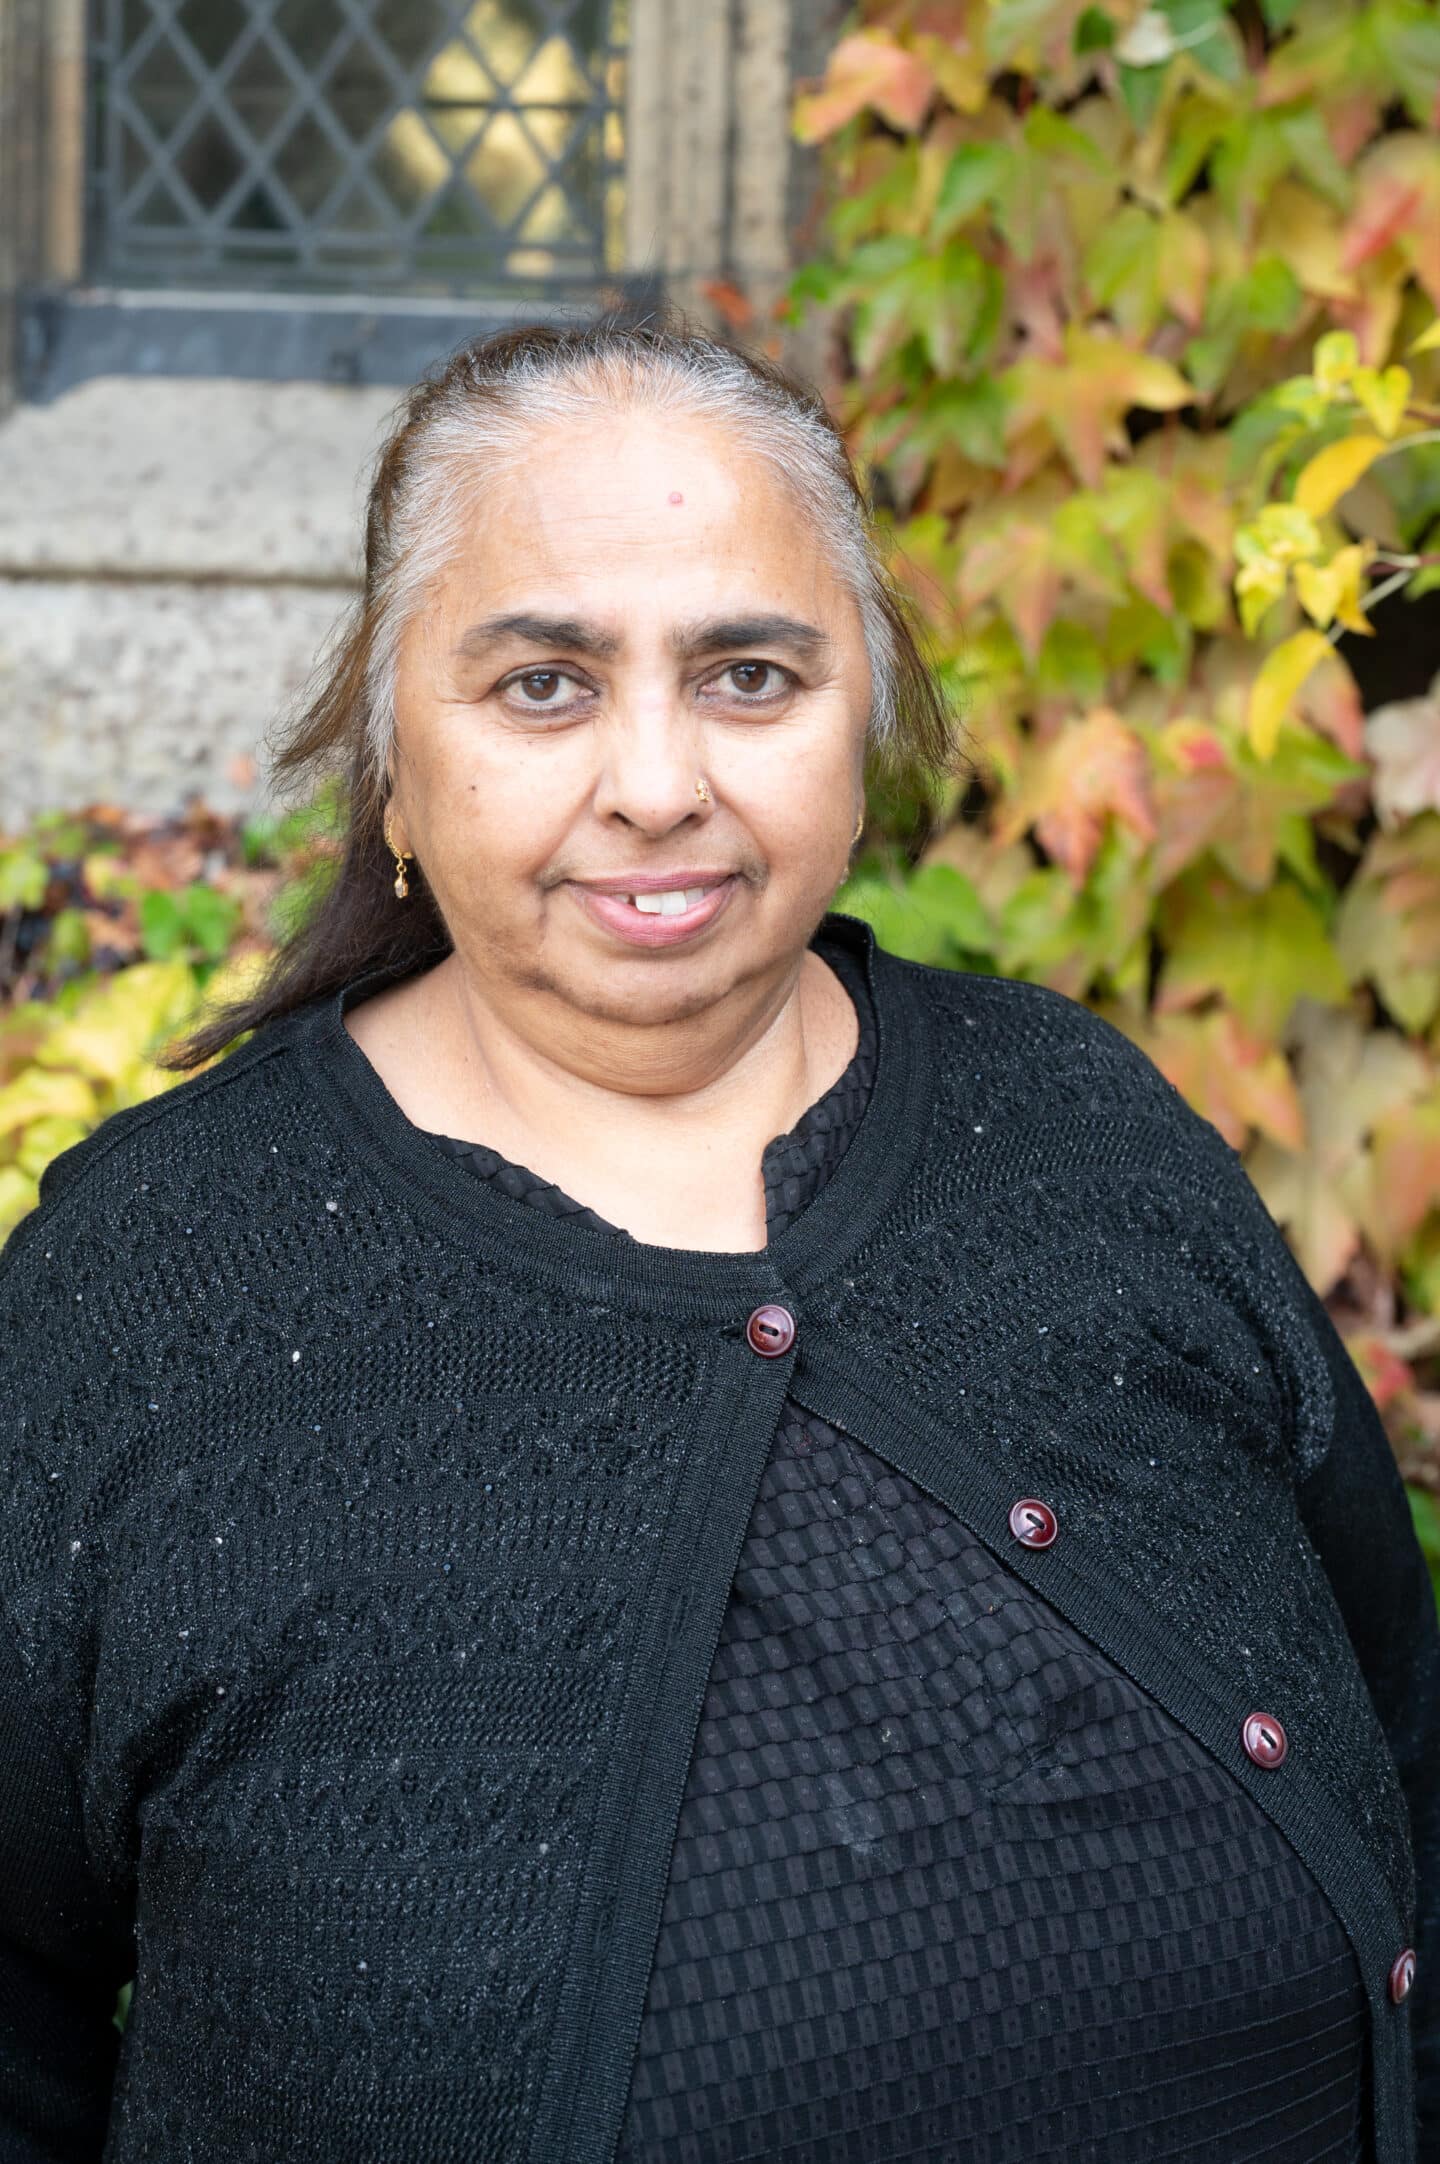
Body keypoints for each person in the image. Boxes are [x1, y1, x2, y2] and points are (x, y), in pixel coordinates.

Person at [0, 315, 1435, 2164]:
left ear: (868, 720)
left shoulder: (1085, 1133)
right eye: (543, 686)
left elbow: (1395, 1730)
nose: (658, 780)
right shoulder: (157, 1286)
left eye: (750, 675)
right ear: (391, 761)